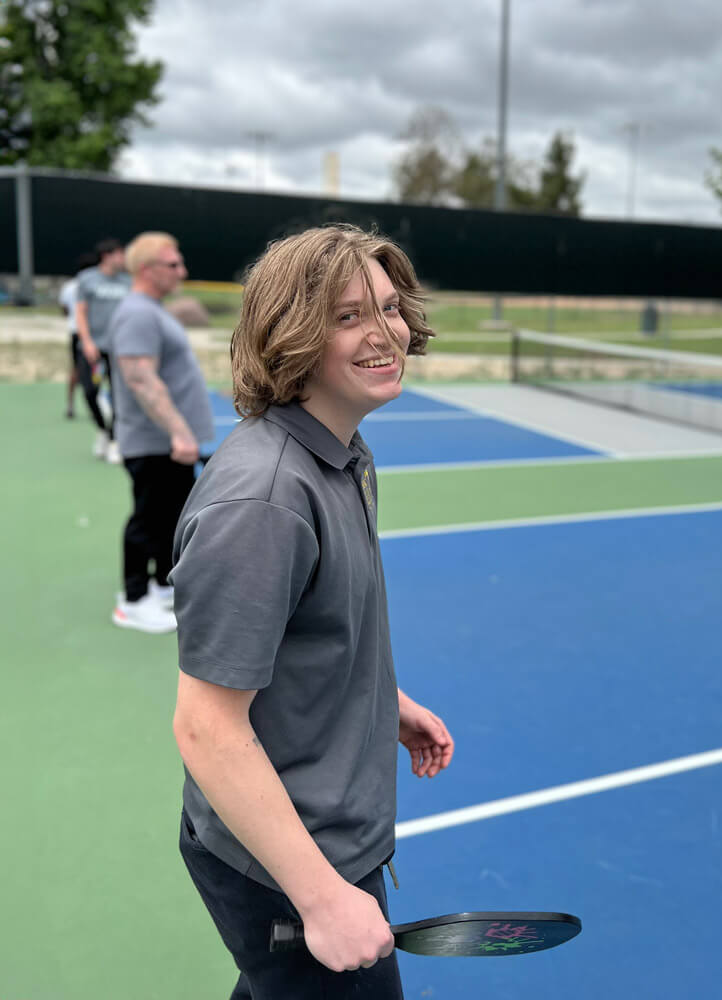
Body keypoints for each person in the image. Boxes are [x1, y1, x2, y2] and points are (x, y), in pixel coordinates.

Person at [170, 225, 453, 999]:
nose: (385, 333)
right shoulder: (264, 502)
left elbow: (310, 634)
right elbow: (206, 726)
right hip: (291, 862)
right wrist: (322, 896)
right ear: (290, 333)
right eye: (348, 315)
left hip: (324, 838)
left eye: (390, 309)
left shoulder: (346, 453)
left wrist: (383, 703)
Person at [109, 232, 214, 633]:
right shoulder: (137, 313)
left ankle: (159, 585)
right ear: (148, 269)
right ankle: (133, 600)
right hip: (155, 442)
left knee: (170, 516)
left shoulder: (151, 310)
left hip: (167, 442)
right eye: (173, 264)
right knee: (148, 518)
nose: (182, 271)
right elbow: (140, 377)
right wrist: (179, 433)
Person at [75, 238, 133, 463]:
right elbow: (80, 313)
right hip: (93, 349)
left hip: (120, 350)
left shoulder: (128, 281)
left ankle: (114, 440)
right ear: (108, 255)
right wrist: (88, 342)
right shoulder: (87, 279)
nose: (124, 258)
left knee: (120, 397)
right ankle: (102, 428)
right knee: (90, 392)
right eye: (120, 254)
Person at [57, 251, 99, 419]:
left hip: (75, 332)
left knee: (76, 370)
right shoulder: (95, 285)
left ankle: (70, 405)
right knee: (97, 371)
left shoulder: (69, 286)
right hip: (92, 334)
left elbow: (64, 310)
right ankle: (96, 406)